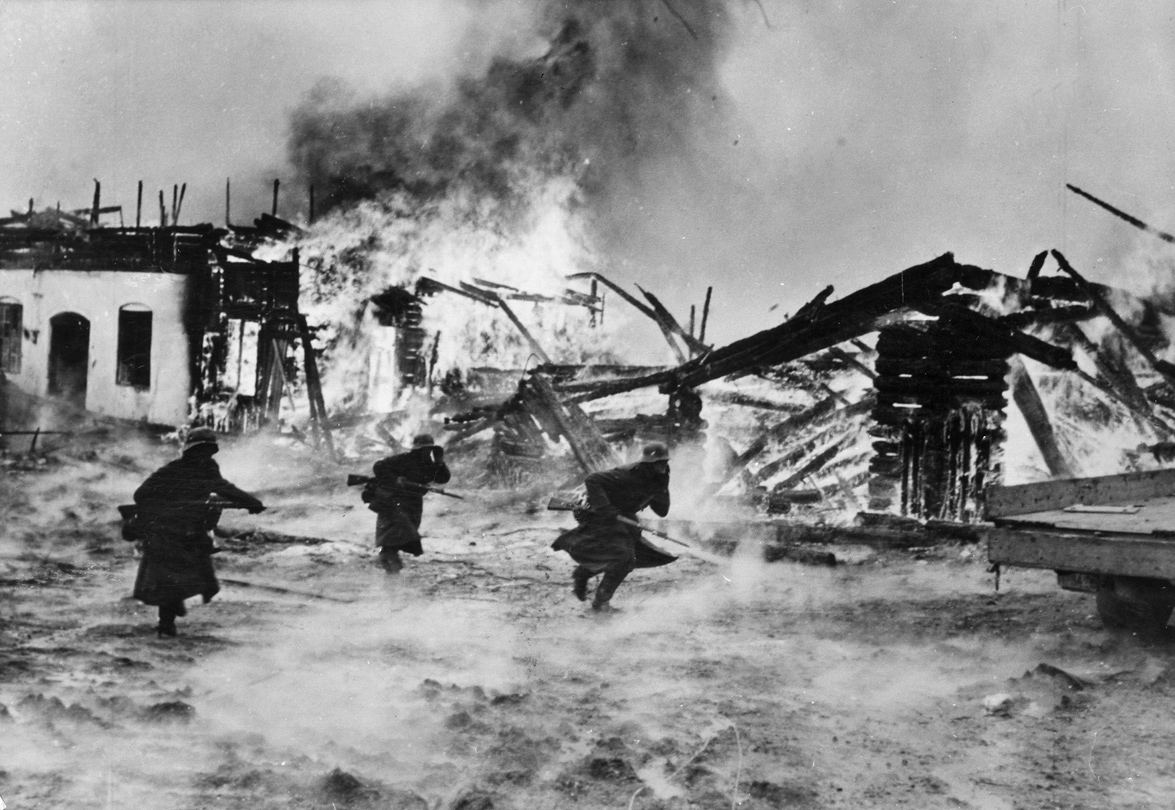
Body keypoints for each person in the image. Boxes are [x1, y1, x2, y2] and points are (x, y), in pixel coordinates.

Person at [132, 427, 265, 637]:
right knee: (176, 577)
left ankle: (170, 616)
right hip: (170, 533)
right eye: (199, 451)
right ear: (191, 451)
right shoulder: (182, 470)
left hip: (184, 533)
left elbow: (223, 488)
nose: (203, 456)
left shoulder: (182, 468)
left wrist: (251, 503)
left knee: (181, 577)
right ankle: (167, 622)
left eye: (206, 451)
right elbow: (141, 495)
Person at [551, 442, 677, 612]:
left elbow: (662, 510)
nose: (663, 466)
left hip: (623, 513)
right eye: (659, 463)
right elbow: (592, 479)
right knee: (623, 557)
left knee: (626, 555)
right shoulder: (628, 474)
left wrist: (662, 488)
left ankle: (583, 573)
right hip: (600, 513)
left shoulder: (659, 476)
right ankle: (601, 603)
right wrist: (605, 509)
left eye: (665, 462)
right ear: (648, 463)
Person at [365, 434, 451, 572]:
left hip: (414, 502)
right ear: (417, 449)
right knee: (401, 528)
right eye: (424, 449)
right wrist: (396, 480)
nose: (427, 452)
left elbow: (442, 479)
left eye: (429, 449)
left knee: (410, 529)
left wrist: (440, 462)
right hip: (395, 500)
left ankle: (388, 555)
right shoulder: (403, 459)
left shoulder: (429, 464)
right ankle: (389, 557)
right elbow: (379, 467)